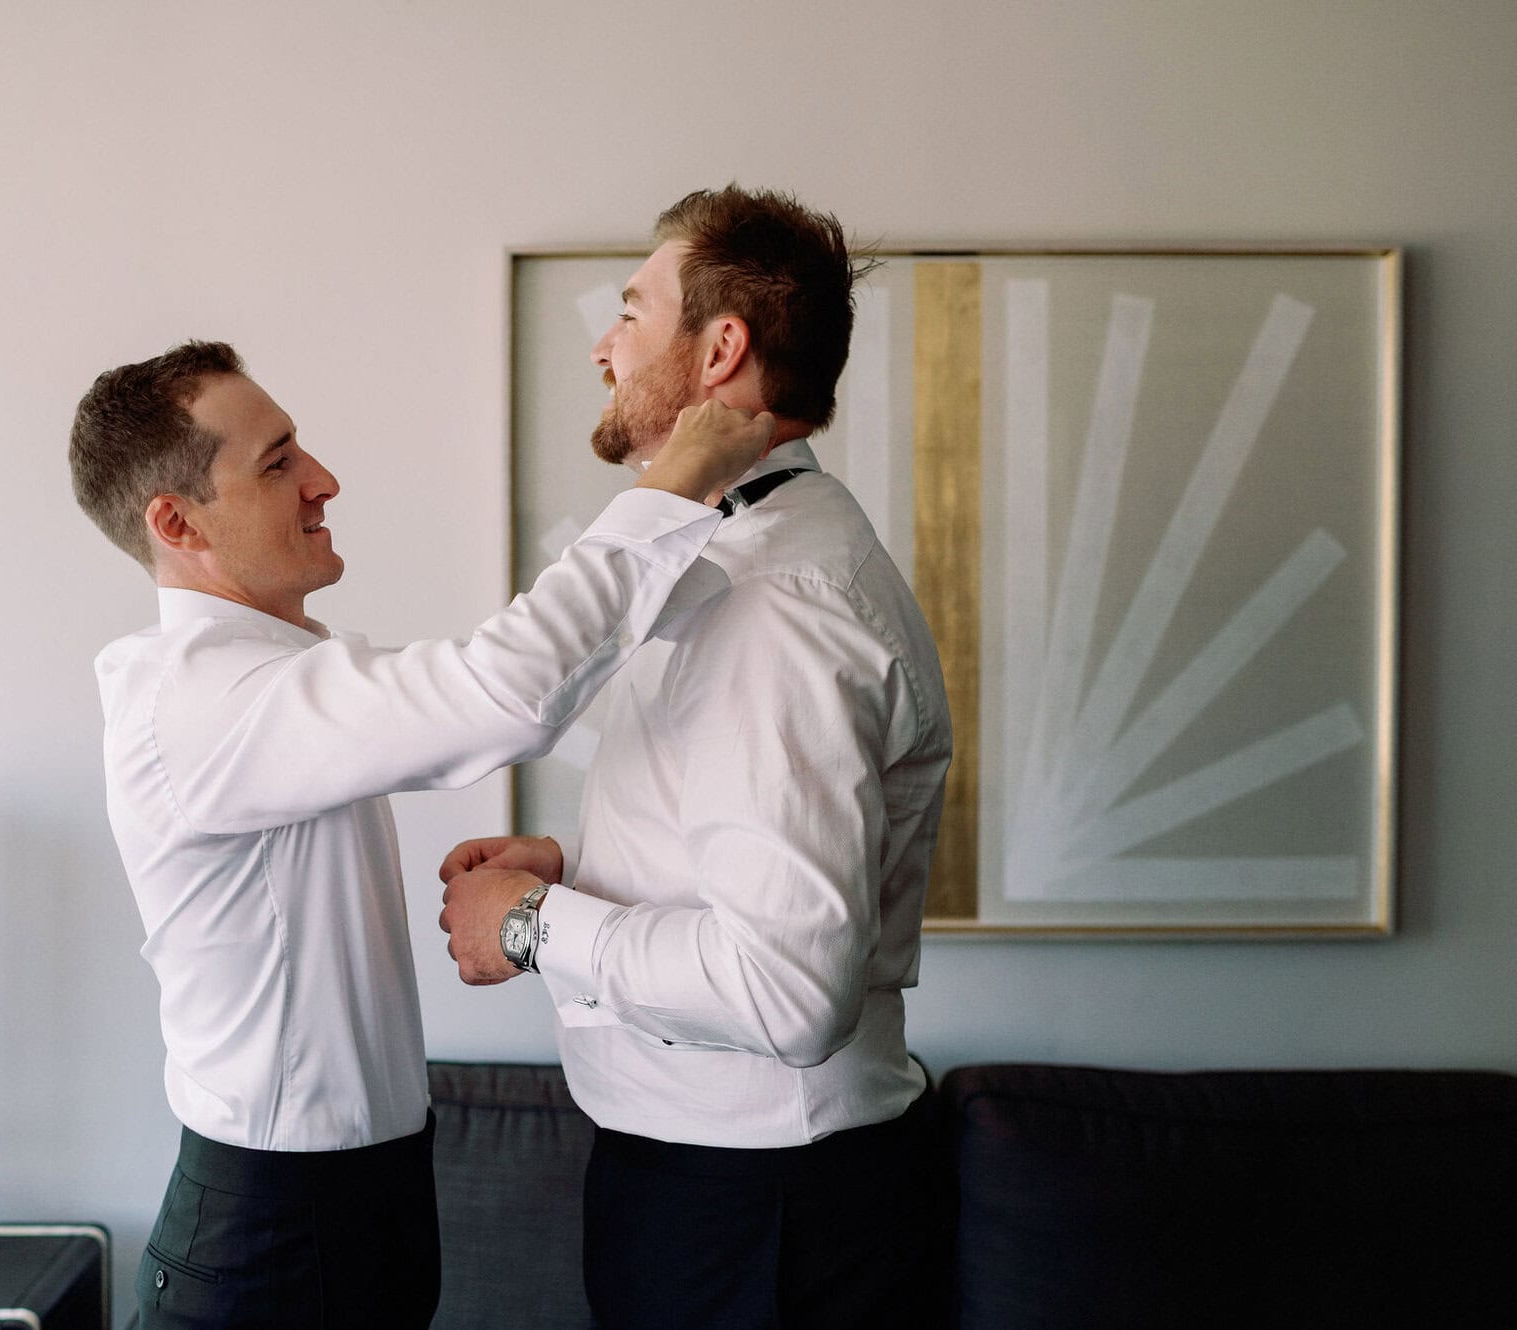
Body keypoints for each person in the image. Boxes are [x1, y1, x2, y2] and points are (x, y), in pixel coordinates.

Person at [67, 339, 771, 1330]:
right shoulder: (204, 702)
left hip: (356, 1206)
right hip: (272, 1235)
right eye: (276, 464)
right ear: (177, 521)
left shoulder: (273, 677)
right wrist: (676, 477)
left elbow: (530, 686)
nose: (322, 480)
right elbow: (504, 692)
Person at [437, 186, 954, 1329]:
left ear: (719, 348)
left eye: (631, 311)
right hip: (741, 1200)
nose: (602, 344)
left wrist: (531, 926)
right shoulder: (752, 556)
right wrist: (585, 865)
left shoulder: (775, 607)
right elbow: (746, 855)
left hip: (756, 1221)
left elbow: (785, 986)